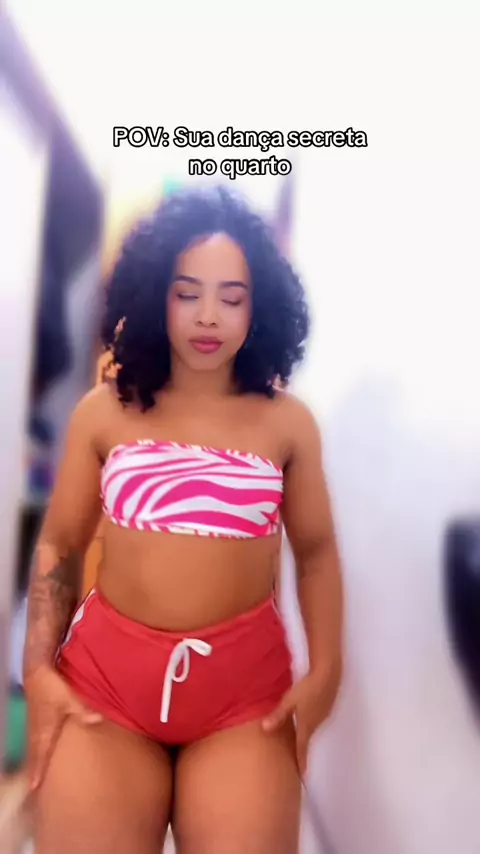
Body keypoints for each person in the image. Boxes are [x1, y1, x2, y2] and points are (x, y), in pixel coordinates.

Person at [23, 184, 343, 854]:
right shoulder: (103, 412)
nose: (208, 316)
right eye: (186, 292)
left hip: (243, 698)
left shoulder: (288, 424)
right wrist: (39, 669)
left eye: (232, 297)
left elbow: (315, 553)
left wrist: (325, 674)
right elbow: (61, 541)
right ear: (154, 295)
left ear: (260, 306)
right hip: (106, 686)